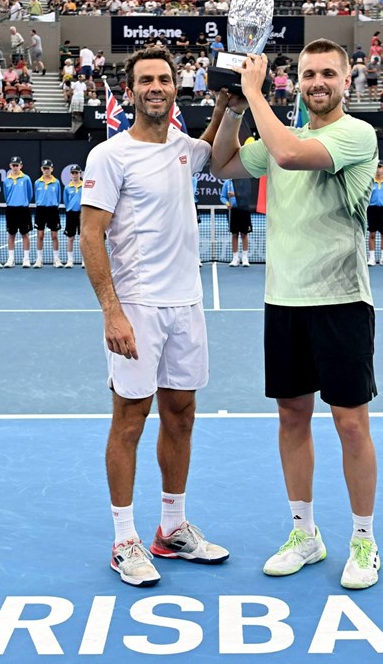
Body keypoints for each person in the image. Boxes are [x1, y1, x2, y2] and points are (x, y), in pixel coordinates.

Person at [210, 38, 382, 589]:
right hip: (283, 299)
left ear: (346, 81)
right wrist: (234, 108)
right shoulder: (284, 130)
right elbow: (225, 164)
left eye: (328, 73)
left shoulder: (355, 135)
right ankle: (305, 533)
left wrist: (257, 94)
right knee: (292, 417)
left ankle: (363, 540)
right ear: (299, 81)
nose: (317, 83)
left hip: (341, 299)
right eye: (309, 74)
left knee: (350, 423)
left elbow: (285, 155)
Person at [81, 45, 232, 588]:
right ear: (130, 91)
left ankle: (171, 529)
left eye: (164, 79)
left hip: (187, 305)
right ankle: (125, 539)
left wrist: (226, 105)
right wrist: (112, 312)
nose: (156, 87)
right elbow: (91, 234)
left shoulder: (182, 148)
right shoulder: (110, 156)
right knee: (130, 419)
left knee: (182, 413)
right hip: (138, 309)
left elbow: (210, 149)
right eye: (145, 79)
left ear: (174, 88)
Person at [2, 156, 34, 268]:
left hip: (23, 209)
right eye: (13, 165)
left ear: (21, 166)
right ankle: (11, 259)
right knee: (11, 235)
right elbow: (6, 195)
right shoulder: (6, 180)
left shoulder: (26, 179)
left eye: (17, 165)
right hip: (11, 209)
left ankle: (26, 259)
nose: (15, 167)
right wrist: (12, 202)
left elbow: (30, 194)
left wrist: (24, 202)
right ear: (10, 166)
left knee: (25, 234)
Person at [33, 159, 62, 268]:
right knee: (40, 235)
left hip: (53, 210)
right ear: (41, 169)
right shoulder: (37, 182)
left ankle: (56, 259)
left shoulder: (57, 182)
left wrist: (54, 205)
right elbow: (36, 196)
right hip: (40, 210)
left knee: (54, 236)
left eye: (48, 168)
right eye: (44, 168)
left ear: (52, 169)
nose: (46, 170)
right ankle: (39, 260)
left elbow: (58, 197)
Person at [220, 177, 252, 267]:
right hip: (233, 211)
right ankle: (235, 258)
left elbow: (247, 194)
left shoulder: (246, 180)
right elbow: (222, 197)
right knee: (234, 234)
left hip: (244, 210)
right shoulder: (228, 182)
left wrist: (235, 194)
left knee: (244, 234)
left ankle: (245, 258)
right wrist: (227, 203)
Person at [368, 160, 383, 266]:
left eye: (380, 167)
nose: (378, 169)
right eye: (377, 167)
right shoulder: (369, 181)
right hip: (372, 209)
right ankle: (372, 258)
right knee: (372, 234)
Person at [62, 163, 83, 268]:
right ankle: (70, 260)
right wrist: (70, 209)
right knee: (70, 238)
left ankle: (84, 260)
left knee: (82, 238)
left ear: (80, 173)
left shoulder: (84, 186)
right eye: (73, 173)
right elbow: (66, 201)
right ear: (70, 174)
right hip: (71, 214)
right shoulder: (67, 188)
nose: (75, 175)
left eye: (77, 173)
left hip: (82, 214)